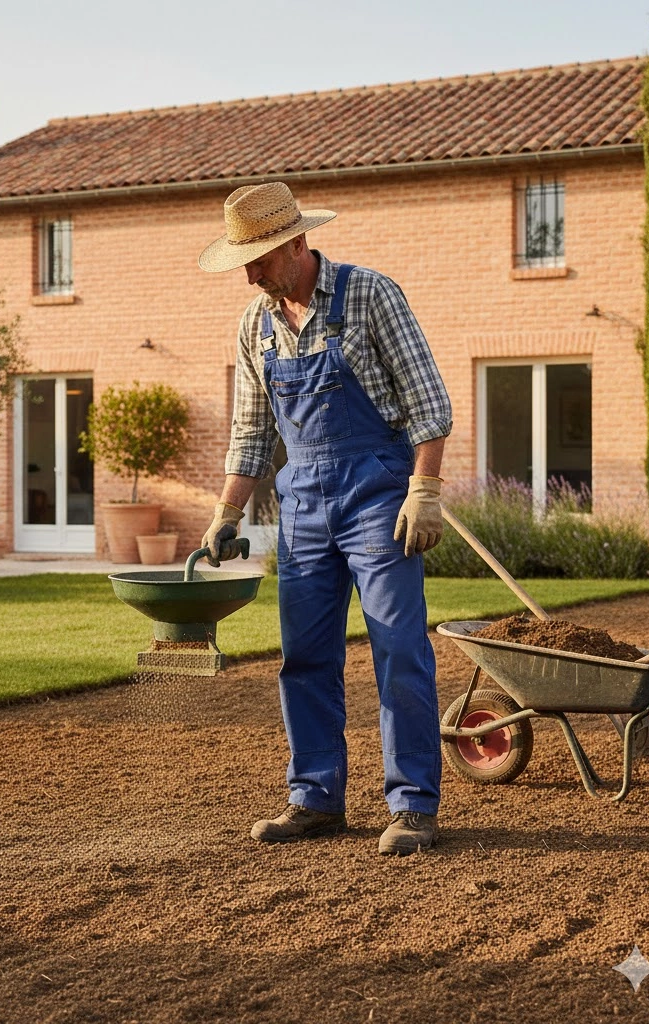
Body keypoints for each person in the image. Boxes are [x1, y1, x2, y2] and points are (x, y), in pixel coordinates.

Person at [198, 181, 452, 856]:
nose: (250, 275)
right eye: (243, 262)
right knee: (304, 656)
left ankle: (413, 805)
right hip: (304, 505)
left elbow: (429, 404)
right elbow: (252, 431)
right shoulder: (255, 326)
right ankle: (315, 798)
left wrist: (424, 490)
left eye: (258, 260)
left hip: (378, 498)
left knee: (399, 648)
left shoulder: (370, 295)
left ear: (296, 243)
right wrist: (226, 510)